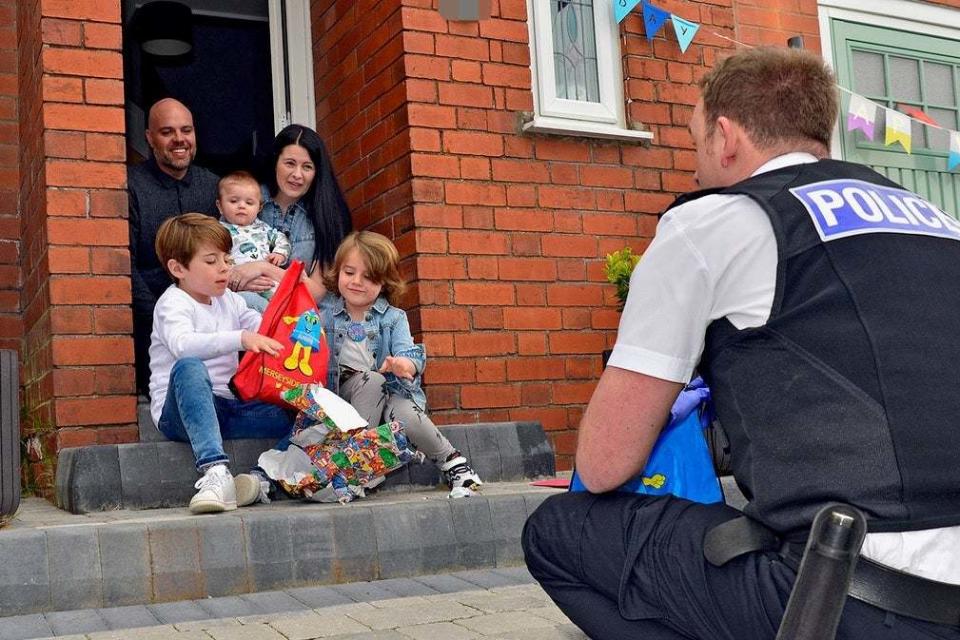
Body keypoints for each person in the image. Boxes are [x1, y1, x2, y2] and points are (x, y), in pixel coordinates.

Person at [523, 47, 960, 639]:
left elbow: (603, 465)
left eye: (695, 138)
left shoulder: (712, 224)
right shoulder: (936, 220)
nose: (697, 166)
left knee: (558, 532)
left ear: (725, 136)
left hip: (844, 598)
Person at [149, 213, 293, 515]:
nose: (225, 268)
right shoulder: (172, 303)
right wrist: (241, 338)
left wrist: (293, 322)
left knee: (301, 411)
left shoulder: (229, 298)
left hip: (228, 409)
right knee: (189, 366)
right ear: (178, 268)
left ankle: (260, 478)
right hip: (179, 414)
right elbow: (182, 344)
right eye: (212, 261)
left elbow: (263, 326)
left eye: (227, 259)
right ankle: (215, 472)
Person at [319, 231, 482, 495]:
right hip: (347, 397)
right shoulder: (324, 315)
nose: (356, 282)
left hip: (393, 390)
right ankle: (360, 465)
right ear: (337, 272)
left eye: (369, 277)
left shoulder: (393, 318)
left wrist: (404, 365)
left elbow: (409, 354)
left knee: (405, 411)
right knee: (371, 380)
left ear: (384, 282)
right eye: (349, 273)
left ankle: (454, 463)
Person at [129, 98, 220, 395]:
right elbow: (124, 266)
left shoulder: (214, 187)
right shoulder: (131, 186)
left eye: (186, 130)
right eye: (167, 132)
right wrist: (162, 317)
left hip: (210, 323)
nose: (179, 139)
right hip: (149, 324)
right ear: (149, 138)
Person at [227, 124, 352, 302]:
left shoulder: (328, 214)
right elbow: (218, 267)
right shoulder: (245, 200)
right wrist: (238, 281)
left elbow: (315, 292)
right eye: (290, 163)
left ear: (316, 172)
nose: (297, 174)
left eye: (307, 167)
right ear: (275, 162)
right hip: (250, 310)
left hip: (305, 319)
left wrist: (264, 268)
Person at [216, 170, 291, 311]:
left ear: (259, 208)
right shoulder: (218, 230)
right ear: (220, 206)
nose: (241, 206)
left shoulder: (263, 228)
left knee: (285, 302)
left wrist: (280, 254)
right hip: (238, 288)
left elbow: (281, 238)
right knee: (255, 305)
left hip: (268, 283)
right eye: (234, 201)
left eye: (249, 202)